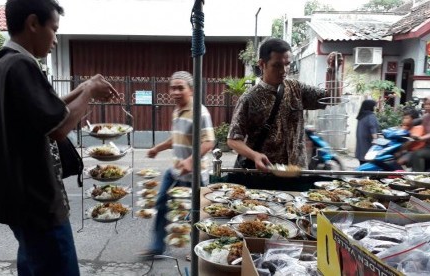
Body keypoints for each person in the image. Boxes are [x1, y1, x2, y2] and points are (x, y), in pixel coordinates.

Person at [0, 0, 118, 275]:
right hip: (37, 203)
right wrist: (88, 94)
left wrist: (84, 87)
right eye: (53, 29)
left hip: (21, 202)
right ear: (32, 23)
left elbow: (46, 111)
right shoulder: (20, 65)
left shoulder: (2, 62)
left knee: (34, 265)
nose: (54, 40)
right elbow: (57, 127)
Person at [226, 38, 342, 190]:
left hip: (297, 175)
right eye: (277, 65)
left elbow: (332, 99)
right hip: (264, 179)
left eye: (287, 65)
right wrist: (255, 155)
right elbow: (233, 140)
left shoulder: (296, 89)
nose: (284, 71)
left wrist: (333, 71)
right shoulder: (249, 98)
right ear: (262, 64)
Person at [139, 71, 215, 257]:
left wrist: (190, 160)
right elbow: (176, 138)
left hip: (195, 174)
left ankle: (199, 250)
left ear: (191, 90)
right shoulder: (177, 110)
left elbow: (209, 142)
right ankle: (157, 246)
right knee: (162, 203)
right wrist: (157, 148)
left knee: (197, 213)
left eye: (180, 88)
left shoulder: (200, 112)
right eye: (173, 88)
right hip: (175, 171)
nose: (175, 92)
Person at [355, 99, 379, 165]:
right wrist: (375, 140)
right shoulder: (371, 116)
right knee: (368, 160)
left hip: (361, 141)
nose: (375, 107)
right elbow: (373, 128)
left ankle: (361, 173)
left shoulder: (361, 116)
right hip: (368, 141)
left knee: (362, 160)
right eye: (374, 106)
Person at [411, 96, 430, 172]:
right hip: (427, 146)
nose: (427, 106)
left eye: (429, 104)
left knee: (418, 154)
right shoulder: (425, 117)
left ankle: (418, 177)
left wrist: (421, 138)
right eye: (425, 104)